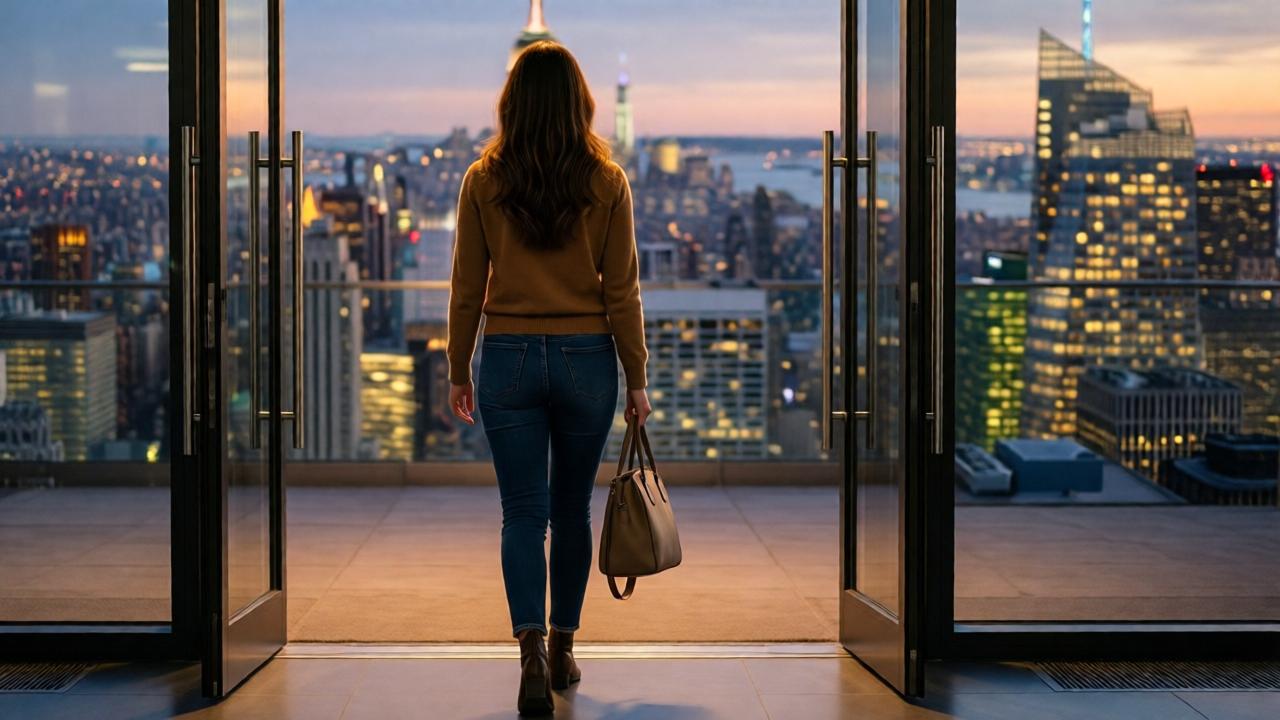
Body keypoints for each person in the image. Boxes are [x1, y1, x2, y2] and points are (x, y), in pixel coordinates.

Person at [446, 41, 650, 716]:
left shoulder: (483, 179)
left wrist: (457, 367)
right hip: (587, 358)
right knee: (570, 511)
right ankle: (563, 648)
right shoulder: (606, 180)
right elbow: (622, 290)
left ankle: (530, 654)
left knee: (522, 513)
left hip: (506, 356)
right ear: (579, 103)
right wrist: (637, 376)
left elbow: (466, 287)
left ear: (512, 104)